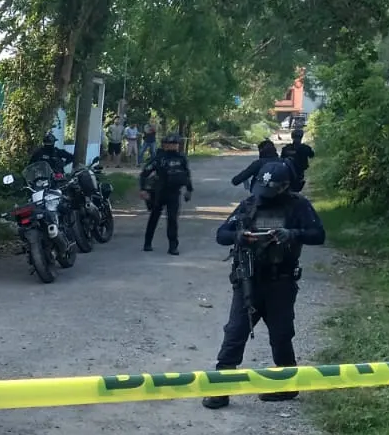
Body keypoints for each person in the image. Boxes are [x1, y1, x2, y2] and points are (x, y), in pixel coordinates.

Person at [201, 159, 326, 409]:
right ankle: (221, 390)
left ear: (285, 187)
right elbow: (221, 234)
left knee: (281, 335)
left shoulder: (298, 206)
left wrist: (292, 234)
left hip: (281, 283)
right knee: (235, 333)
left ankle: (286, 387)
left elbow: (318, 235)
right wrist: (240, 236)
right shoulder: (249, 204)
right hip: (249, 281)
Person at [139, 131, 193, 255]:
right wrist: (143, 189)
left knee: (172, 220)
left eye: (175, 143)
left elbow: (187, 175)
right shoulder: (159, 158)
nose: (173, 146)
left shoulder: (181, 159)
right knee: (154, 217)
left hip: (174, 193)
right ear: (164, 145)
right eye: (170, 143)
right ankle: (147, 243)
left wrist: (189, 190)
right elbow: (144, 174)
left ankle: (173, 246)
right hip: (159, 192)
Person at [280, 127, 315, 192]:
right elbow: (312, 155)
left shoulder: (286, 148)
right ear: (301, 137)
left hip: (290, 172)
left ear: (292, 137)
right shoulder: (305, 148)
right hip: (298, 172)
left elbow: (281, 159)